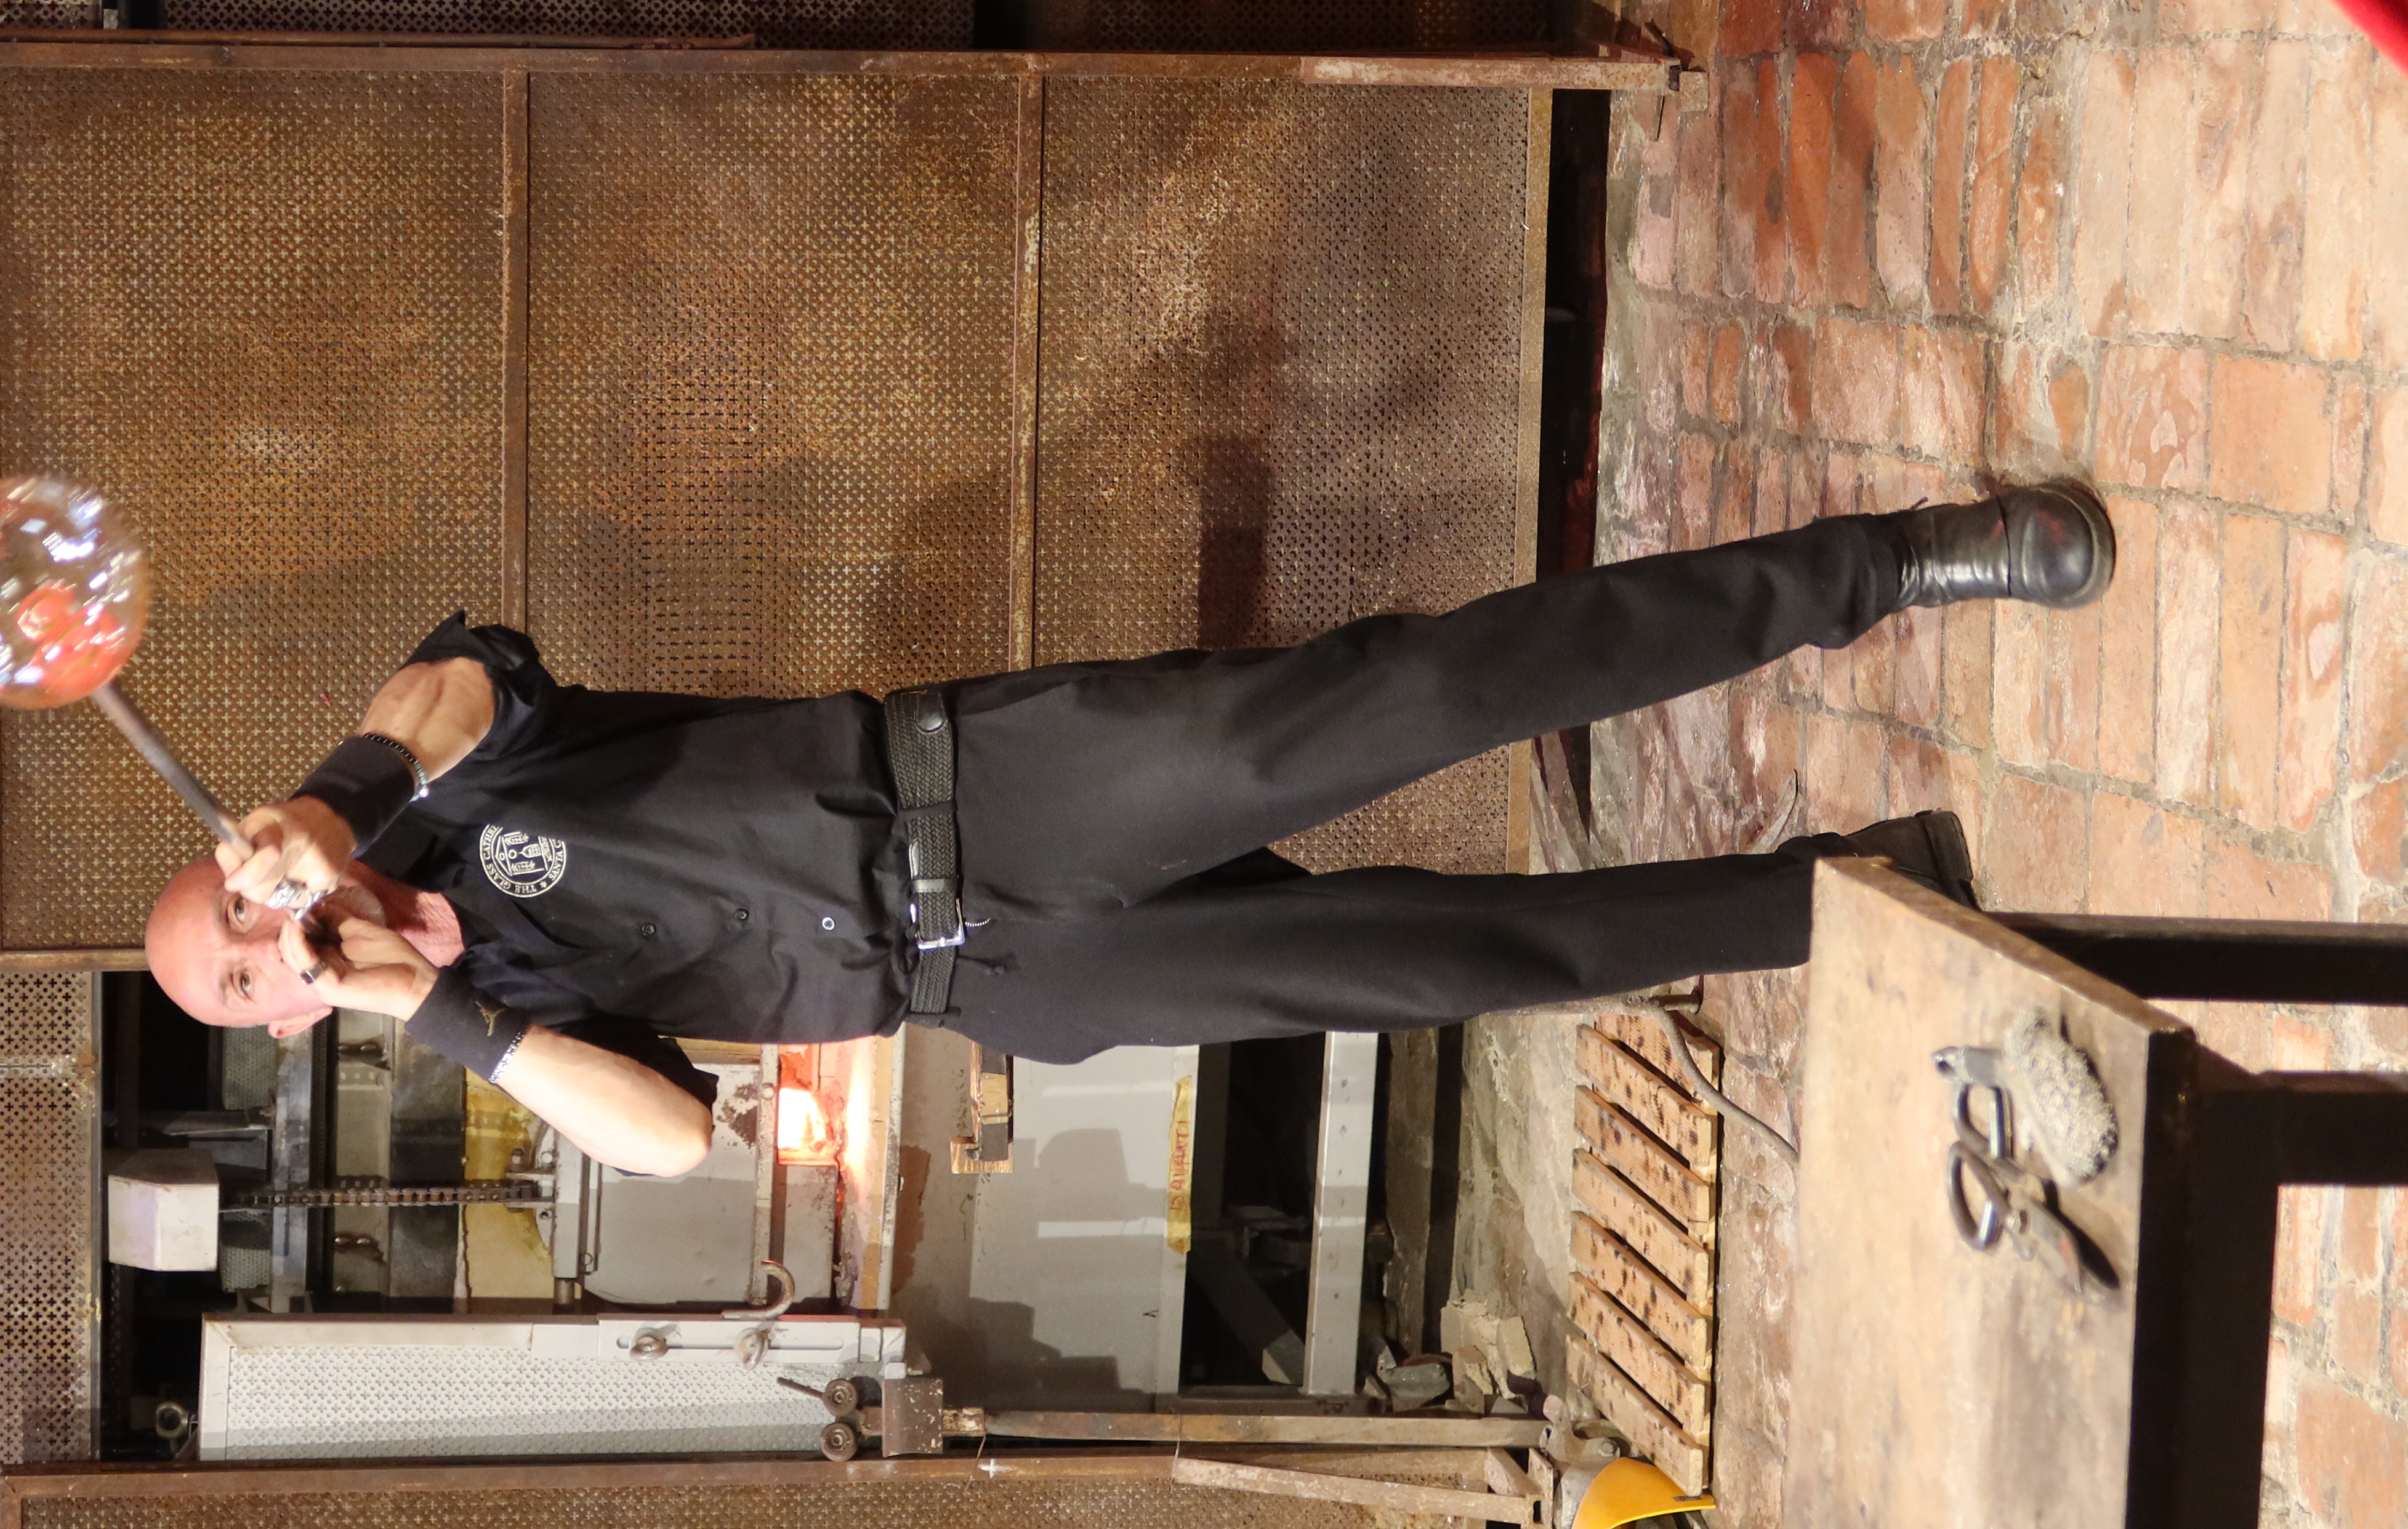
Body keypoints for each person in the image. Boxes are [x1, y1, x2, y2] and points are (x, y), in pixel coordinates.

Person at [144, 486, 2116, 1176]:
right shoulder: (491, 1021)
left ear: (254, 865)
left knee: (1432, 692)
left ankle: (1890, 564)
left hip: (996, 784)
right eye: (246, 991)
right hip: (1008, 975)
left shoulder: (434, 788)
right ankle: (1854, 899)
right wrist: (435, 1010)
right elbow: (669, 1143)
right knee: (1441, 959)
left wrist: (332, 803)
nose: (266, 951)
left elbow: (455, 680)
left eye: (235, 914)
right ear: (286, 1027)